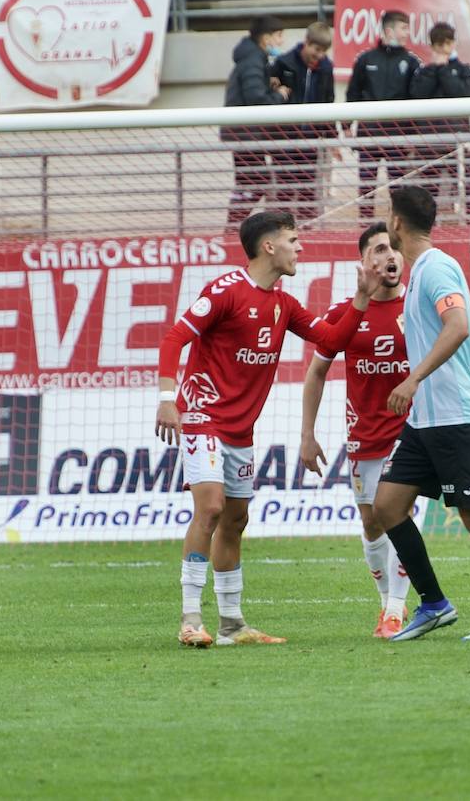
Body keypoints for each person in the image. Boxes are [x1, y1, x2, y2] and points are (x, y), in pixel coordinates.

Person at [155, 210, 383, 648]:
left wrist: (361, 300)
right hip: (202, 416)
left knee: (236, 519)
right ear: (269, 246)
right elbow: (173, 339)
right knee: (212, 509)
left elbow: (332, 342)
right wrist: (168, 401)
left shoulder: (284, 304)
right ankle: (189, 619)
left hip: (241, 430)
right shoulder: (225, 291)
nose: (301, 248)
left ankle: (231, 625)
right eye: (294, 240)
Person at [374, 185, 470, 643]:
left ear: (397, 222)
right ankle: (434, 604)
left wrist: (413, 379)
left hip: (456, 419)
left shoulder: (437, 268)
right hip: (425, 422)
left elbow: (458, 325)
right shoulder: (418, 273)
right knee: (387, 506)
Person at [301, 222, 414, 640]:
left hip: (409, 433)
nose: (390, 256)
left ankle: (397, 611)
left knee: (396, 513)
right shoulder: (344, 314)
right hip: (362, 434)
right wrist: (307, 434)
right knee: (370, 523)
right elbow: (316, 373)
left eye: (394, 249)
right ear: (364, 263)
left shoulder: (418, 307)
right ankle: (387, 603)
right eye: (380, 250)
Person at [346, 10, 419, 226]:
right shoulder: (365, 59)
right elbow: (353, 94)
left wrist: (414, 135)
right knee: (366, 187)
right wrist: (347, 125)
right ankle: (365, 229)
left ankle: (398, 229)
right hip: (369, 135)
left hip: (398, 137)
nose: (407, 33)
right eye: (403, 28)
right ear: (389, 30)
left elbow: (416, 100)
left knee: (398, 189)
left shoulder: (412, 62)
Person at [222, 16, 290, 232]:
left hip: (244, 133)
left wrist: (268, 85)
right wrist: (279, 95)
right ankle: (234, 228)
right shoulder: (252, 60)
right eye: (279, 36)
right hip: (245, 134)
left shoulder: (253, 58)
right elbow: (256, 100)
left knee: (250, 182)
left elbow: (253, 90)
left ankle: (235, 227)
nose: (281, 42)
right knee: (255, 181)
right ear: (266, 38)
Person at [268, 21, 336, 226]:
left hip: (310, 140)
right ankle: (281, 230)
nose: (319, 55)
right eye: (316, 49)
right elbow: (269, 94)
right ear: (306, 43)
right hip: (285, 139)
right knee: (284, 191)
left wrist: (331, 136)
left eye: (323, 51)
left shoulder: (326, 68)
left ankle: (308, 232)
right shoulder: (283, 62)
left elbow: (328, 102)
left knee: (308, 190)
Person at [408, 22, 470, 206]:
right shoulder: (423, 72)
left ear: (453, 43)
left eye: (447, 43)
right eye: (439, 45)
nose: (444, 49)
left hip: (457, 142)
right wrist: (435, 70)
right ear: (432, 46)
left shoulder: (465, 70)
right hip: (428, 144)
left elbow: (464, 96)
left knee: (464, 190)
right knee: (427, 194)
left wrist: (445, 70)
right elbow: (417, 96)